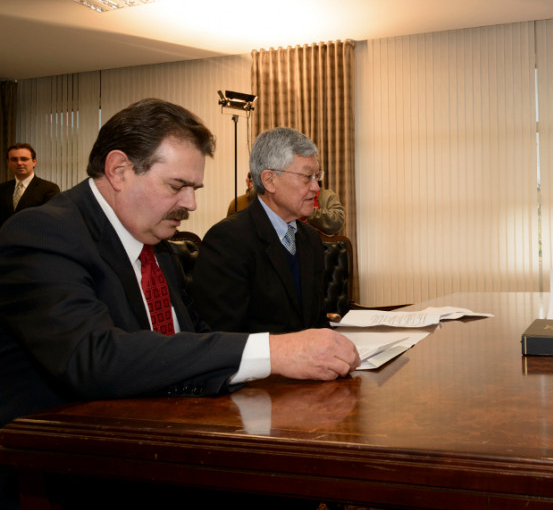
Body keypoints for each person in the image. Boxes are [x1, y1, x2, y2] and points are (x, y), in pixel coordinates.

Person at [0, 99, 360, 431]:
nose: (190, 204)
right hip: (62, 460)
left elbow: (194, 340)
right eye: (177, 186)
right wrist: (275, 351)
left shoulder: (157, 246)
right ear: (119, 170)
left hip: (167, 430)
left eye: (195, 189)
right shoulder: (42, 233)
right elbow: (94, 358)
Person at [191, 127, 328, 334]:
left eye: (317, 176)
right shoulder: (228, 240)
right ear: (270, 180)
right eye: (307, 176)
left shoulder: (311, 239)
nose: (316, 187)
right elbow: (222, 338)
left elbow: (317, 321)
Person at [0, 143, 61, 226]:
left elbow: (50, 221)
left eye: (24, 159)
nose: (19, 163)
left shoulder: (49, 189)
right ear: (8, 162)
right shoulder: (2, 188)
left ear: (34, 161)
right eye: (14, 159)